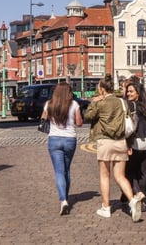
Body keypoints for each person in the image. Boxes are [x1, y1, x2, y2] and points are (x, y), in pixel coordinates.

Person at [84, 74, 142, 221]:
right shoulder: (122, 102)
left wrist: (93, 102)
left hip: (105, 142)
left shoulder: (100, 103)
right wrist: (129, 144)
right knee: (120, 176)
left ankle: (106, 207)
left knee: (105, 175)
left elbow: (88, 116)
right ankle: (132, 200)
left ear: (102, 89)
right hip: (121, 141)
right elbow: (129, 122)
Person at [40, 81, 83, 216]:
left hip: (54, 140)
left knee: (59, 171)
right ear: (68, 92)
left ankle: (63, 199)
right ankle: (66, 196)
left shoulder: (49, 104)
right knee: (66, 170)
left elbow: (43, 118)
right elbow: (79, 123)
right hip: (70, 139)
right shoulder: (74, 104)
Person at [123, 77, 146, 203]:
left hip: (136, 142)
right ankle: (142, 199)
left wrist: (128, 144)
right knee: (143, 171)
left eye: (131, 91)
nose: (129, 94)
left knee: (128, 171)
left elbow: (129, 128)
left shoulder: (130, 105)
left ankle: (138, 193)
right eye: (128, 91)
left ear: (138, 93)